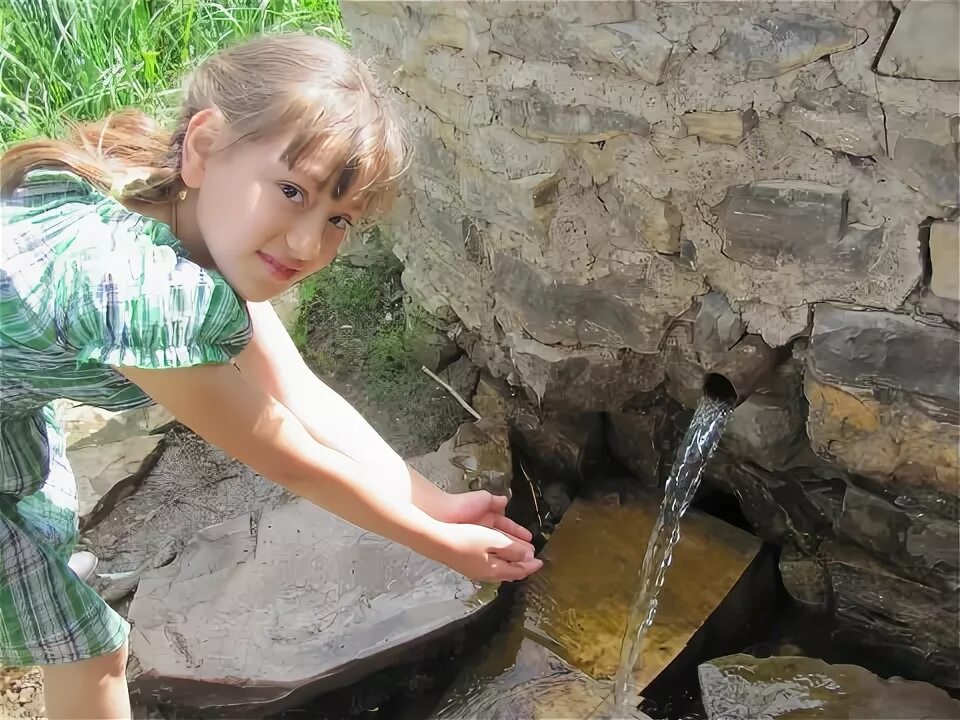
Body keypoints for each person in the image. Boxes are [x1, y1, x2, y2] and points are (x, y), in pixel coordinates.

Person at [0, 32, 542, 720]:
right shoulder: (147, 294)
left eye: (339, 218)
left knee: (56, 591)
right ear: (203, 146)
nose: (308, 243)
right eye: (292, 191)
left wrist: (429, 499)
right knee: (92, 652)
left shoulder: (164, 196)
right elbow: (294, 461)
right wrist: (439, 546)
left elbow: (299, 392)